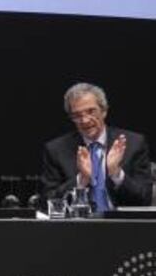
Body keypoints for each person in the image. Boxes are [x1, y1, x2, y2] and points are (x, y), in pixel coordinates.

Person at [41, 82, 152, 211]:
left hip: (122, 225)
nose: (85, 120)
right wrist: (82, 179)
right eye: (77, 115)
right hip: (77, 226)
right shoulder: (56, 150)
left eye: (91, 111)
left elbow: (145, 199)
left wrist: (116, 173)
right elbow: (46, 203)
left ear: (104, 111)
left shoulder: (134, 143)